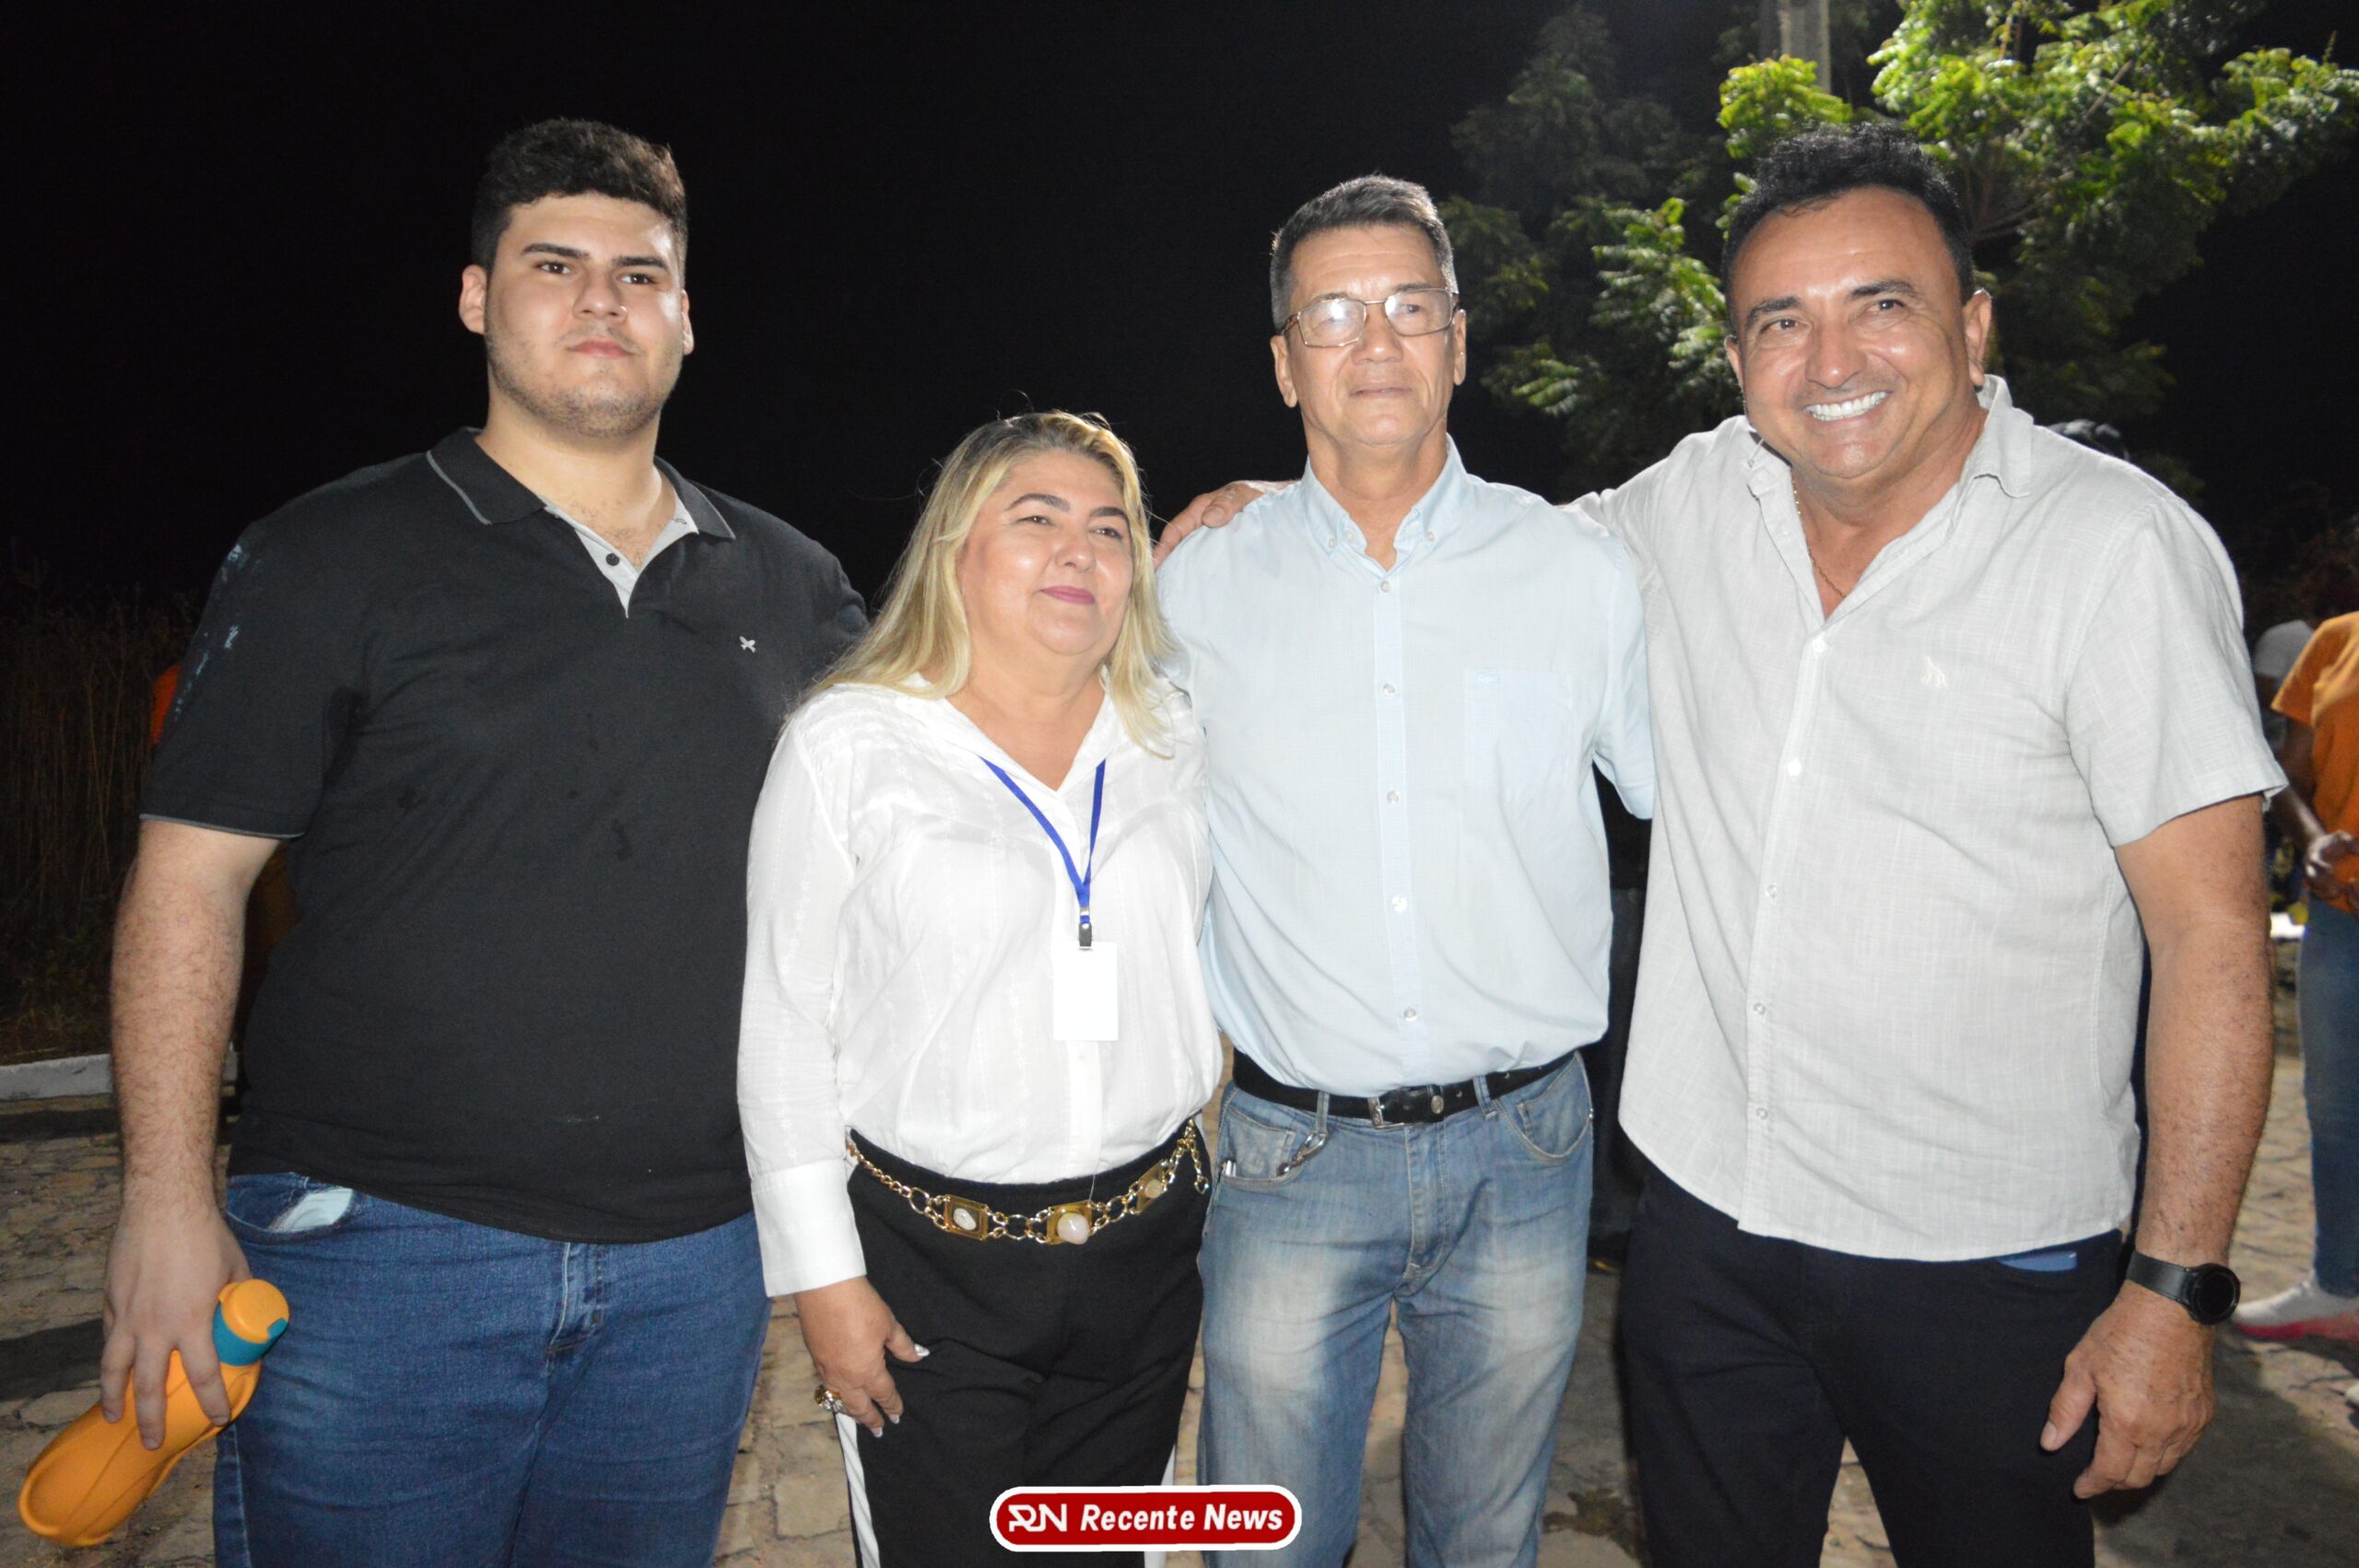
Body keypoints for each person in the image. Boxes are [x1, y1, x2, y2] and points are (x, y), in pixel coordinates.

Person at [1165, 126, 2279, 1568]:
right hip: (1702, 1233)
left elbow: (2212, 933)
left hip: (1977, 1249)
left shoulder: (2111, 549)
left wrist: (2176, 1288)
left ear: (1973, 325)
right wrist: (1260, 515)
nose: (1833, 358)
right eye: (1782, 320)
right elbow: (1416, 562)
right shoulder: (1670, 513)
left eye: (1882, 302)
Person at [103, 120, 864, 1567]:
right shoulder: (328, 556)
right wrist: (164, 1200)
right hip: (379, 1249)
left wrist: (1202, 536)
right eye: (553, 266)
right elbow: (189, 882)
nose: (601, 302)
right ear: (475, 298)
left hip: (695, 1260)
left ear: (687, 315)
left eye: (640, 274)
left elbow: (964, 738)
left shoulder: (790, 579)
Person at [1156, 175, 1653, 1567]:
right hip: (1292, 1152)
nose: (1373, 342)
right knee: (1261, 1539)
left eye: (1409, 307)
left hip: (1528, 1147)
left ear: (1459, 339)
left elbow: (1691, 801)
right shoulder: (1190, 584)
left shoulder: (1578, 571)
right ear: (1284, 363)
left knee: (1485, 1539)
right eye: (1332, 314)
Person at [740, 411, 1220, 1566]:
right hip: (930, 1272)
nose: (1078, 551)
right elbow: (784, 1026)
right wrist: (824, 1282)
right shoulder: (849, 742)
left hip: (1145, 1255)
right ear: (955, 549)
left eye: (1109, 528)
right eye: (1036, 518)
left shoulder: (1171, 733)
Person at [2233, 610, 2359, 1362]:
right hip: (2342, 917)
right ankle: (2339, 1286)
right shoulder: (2336, 642)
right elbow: (2288, 773)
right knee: (2336, 1112)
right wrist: (2312, 842)